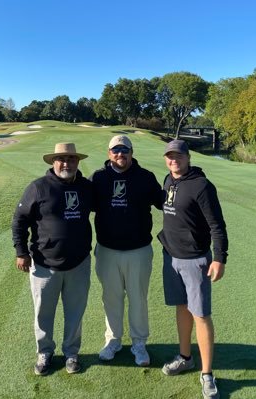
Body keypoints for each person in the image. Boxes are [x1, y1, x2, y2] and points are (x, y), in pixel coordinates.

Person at [12, 143, 92, 376]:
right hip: (44, 264)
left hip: (78, 263)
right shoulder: (38, 187)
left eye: (71, 159)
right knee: (43, 313)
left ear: (78, 162)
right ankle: (45, 352)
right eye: (61, 159)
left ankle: (71, 353)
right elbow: (19, 220)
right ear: (53, 162)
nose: (66, 163)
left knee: (75, 312)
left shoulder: (86, 187)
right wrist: (21, 252)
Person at [158, 140, 228, 399]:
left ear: (188, 157)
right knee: (181, 307)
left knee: (201, 315)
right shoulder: (168, 181)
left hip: (196, 259)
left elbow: (217, 226)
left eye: (178, 156)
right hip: (171, 258)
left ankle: (207, 373)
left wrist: (219, 258)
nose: (173, 160)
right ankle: (185, 357)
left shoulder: (202, 186)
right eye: (169, 156)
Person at [90, 135, 162, 366]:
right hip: (107, 250)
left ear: (132, 152)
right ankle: (113, 340)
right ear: (109, 153)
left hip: (138, 250)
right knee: (111, 298)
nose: (120, 154)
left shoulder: (145, 177)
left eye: (125, 150)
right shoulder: (98, 178)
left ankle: (139, 343)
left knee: (138, 298)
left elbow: (165, 203)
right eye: (115, 150)